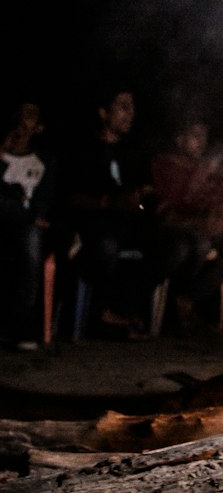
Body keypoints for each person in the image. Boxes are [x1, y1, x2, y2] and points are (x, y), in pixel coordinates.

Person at [57, 86, 163, 338]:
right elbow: (69, 197)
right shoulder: (83, 149)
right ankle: (102, 313)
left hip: (128, 223)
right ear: (104, 112)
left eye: (132, 108)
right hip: (92, 223)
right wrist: (109, 203)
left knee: (166, 244)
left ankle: (123, 309)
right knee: (106, 244)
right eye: (123, 107)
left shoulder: (133, 151)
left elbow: (146, 191)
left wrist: (144, 198)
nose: (131, 114)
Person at [150, 118, 223, 335]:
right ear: (180, 139)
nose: (202, 142)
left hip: (205, 226)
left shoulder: (206, 168)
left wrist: (222, 216)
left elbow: (219, 201)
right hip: (177, 228)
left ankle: (190, 299)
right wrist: (201, 218)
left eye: (204, 137)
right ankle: (176, 306)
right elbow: (172, 206)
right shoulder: (165, 165)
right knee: (198, 244)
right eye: (195, 136)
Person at [0, 99, 56, 351]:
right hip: (8, 221)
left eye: (31, 115)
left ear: (39, 127)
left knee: (32, 236)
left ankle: (20, 326)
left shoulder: (43, 162)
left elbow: (42, 207)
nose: (23, 120)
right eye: (20, 114)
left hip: (28, 227)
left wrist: (26, 214)